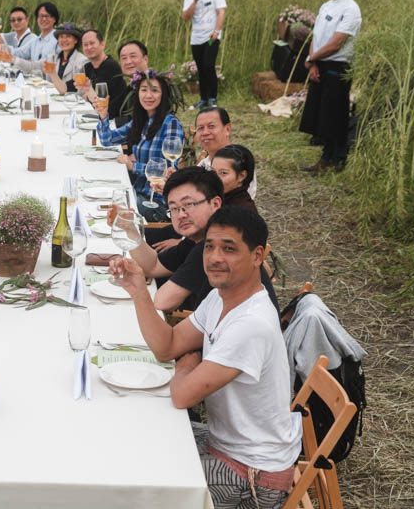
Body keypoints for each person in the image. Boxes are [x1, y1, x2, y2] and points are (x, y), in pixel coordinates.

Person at [109, 207, 300, 509]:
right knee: (128, 435)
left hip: (252, 476)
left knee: (135, 480)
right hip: (222, 442)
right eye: (209, 246)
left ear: (257, 256)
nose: (214, 257)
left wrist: (186, 370)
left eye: (229, 248)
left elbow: (182, 396)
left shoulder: (251, 324)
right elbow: (166, 346)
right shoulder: (221, 296)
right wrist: (138, 292)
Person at [133, 167, 277, 313]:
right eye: (174, 208)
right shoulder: (196, 238)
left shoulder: (214, 248)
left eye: (188, 204)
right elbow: (153, 266)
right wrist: (129, 231)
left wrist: (132, 285)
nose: (181, 214)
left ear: (215, 204)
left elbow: (163, 302)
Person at [95, 71, 185, 222]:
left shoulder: (171, 124)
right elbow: (107, 140)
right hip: (137, 192)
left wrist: (132, 166)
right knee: (102, 196)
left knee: (111, 208)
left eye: (154, 90)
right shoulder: (141, 121)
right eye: (144, 90)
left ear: (164, 95)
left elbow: (169, 172)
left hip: (157, 203)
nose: (148, 95)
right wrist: (104, 114)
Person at [300, 0, 362, 174]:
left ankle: (337, 160)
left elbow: (337, 43)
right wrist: (313, 62)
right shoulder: (326, 6)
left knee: (336, 114)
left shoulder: (351, 9)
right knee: (322, 114)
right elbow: (316, 36)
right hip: (320, 63)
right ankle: (325, 157)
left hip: (339, 66)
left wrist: (311, 58)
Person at [181, 0, 227, 109]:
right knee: (200, 68)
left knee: (209, 65)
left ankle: (212, 98)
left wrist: (216, 31)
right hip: (196, 38)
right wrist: (195, 1)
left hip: (211, 36)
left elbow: (221, 12)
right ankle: (203, 99)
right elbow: (185, 17)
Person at [194, 106, 257, 199]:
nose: (205, 132)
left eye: (211, 126)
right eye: (200, 128)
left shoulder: (239, 162)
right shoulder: (202, 164)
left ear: (227, 129)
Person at [81, 29, 127, 117]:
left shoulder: (110, 66)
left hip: (114, 119)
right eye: (85, 45)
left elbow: (99, 100)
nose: (89, 47)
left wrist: (87, 92)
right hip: (99, 114)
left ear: (102, 44)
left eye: (92, 43)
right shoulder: (88, 67)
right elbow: (69, 87)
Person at [6, 1, 59, 67]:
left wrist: (28, 63)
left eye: (47, 16)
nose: (44, 19)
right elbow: (19, 53)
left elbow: (47, 64)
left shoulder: (59, 39)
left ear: (54, 19)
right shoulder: (35, 41)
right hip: (33, 76)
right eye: (41, 16)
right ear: (37, 19)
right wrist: (3, 47)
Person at [45, 23, 88, 94]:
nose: (64, 40)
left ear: (75, 40)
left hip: (72, 101)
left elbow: (81, 90)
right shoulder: (52, 58)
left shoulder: (82, 61)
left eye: (68, 36)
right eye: (61, 37)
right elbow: (48, 83)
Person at [211, 145, 257, 212]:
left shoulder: (240, 211)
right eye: (213, 171)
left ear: (241, 176)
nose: (214, 178)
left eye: (223, 173)